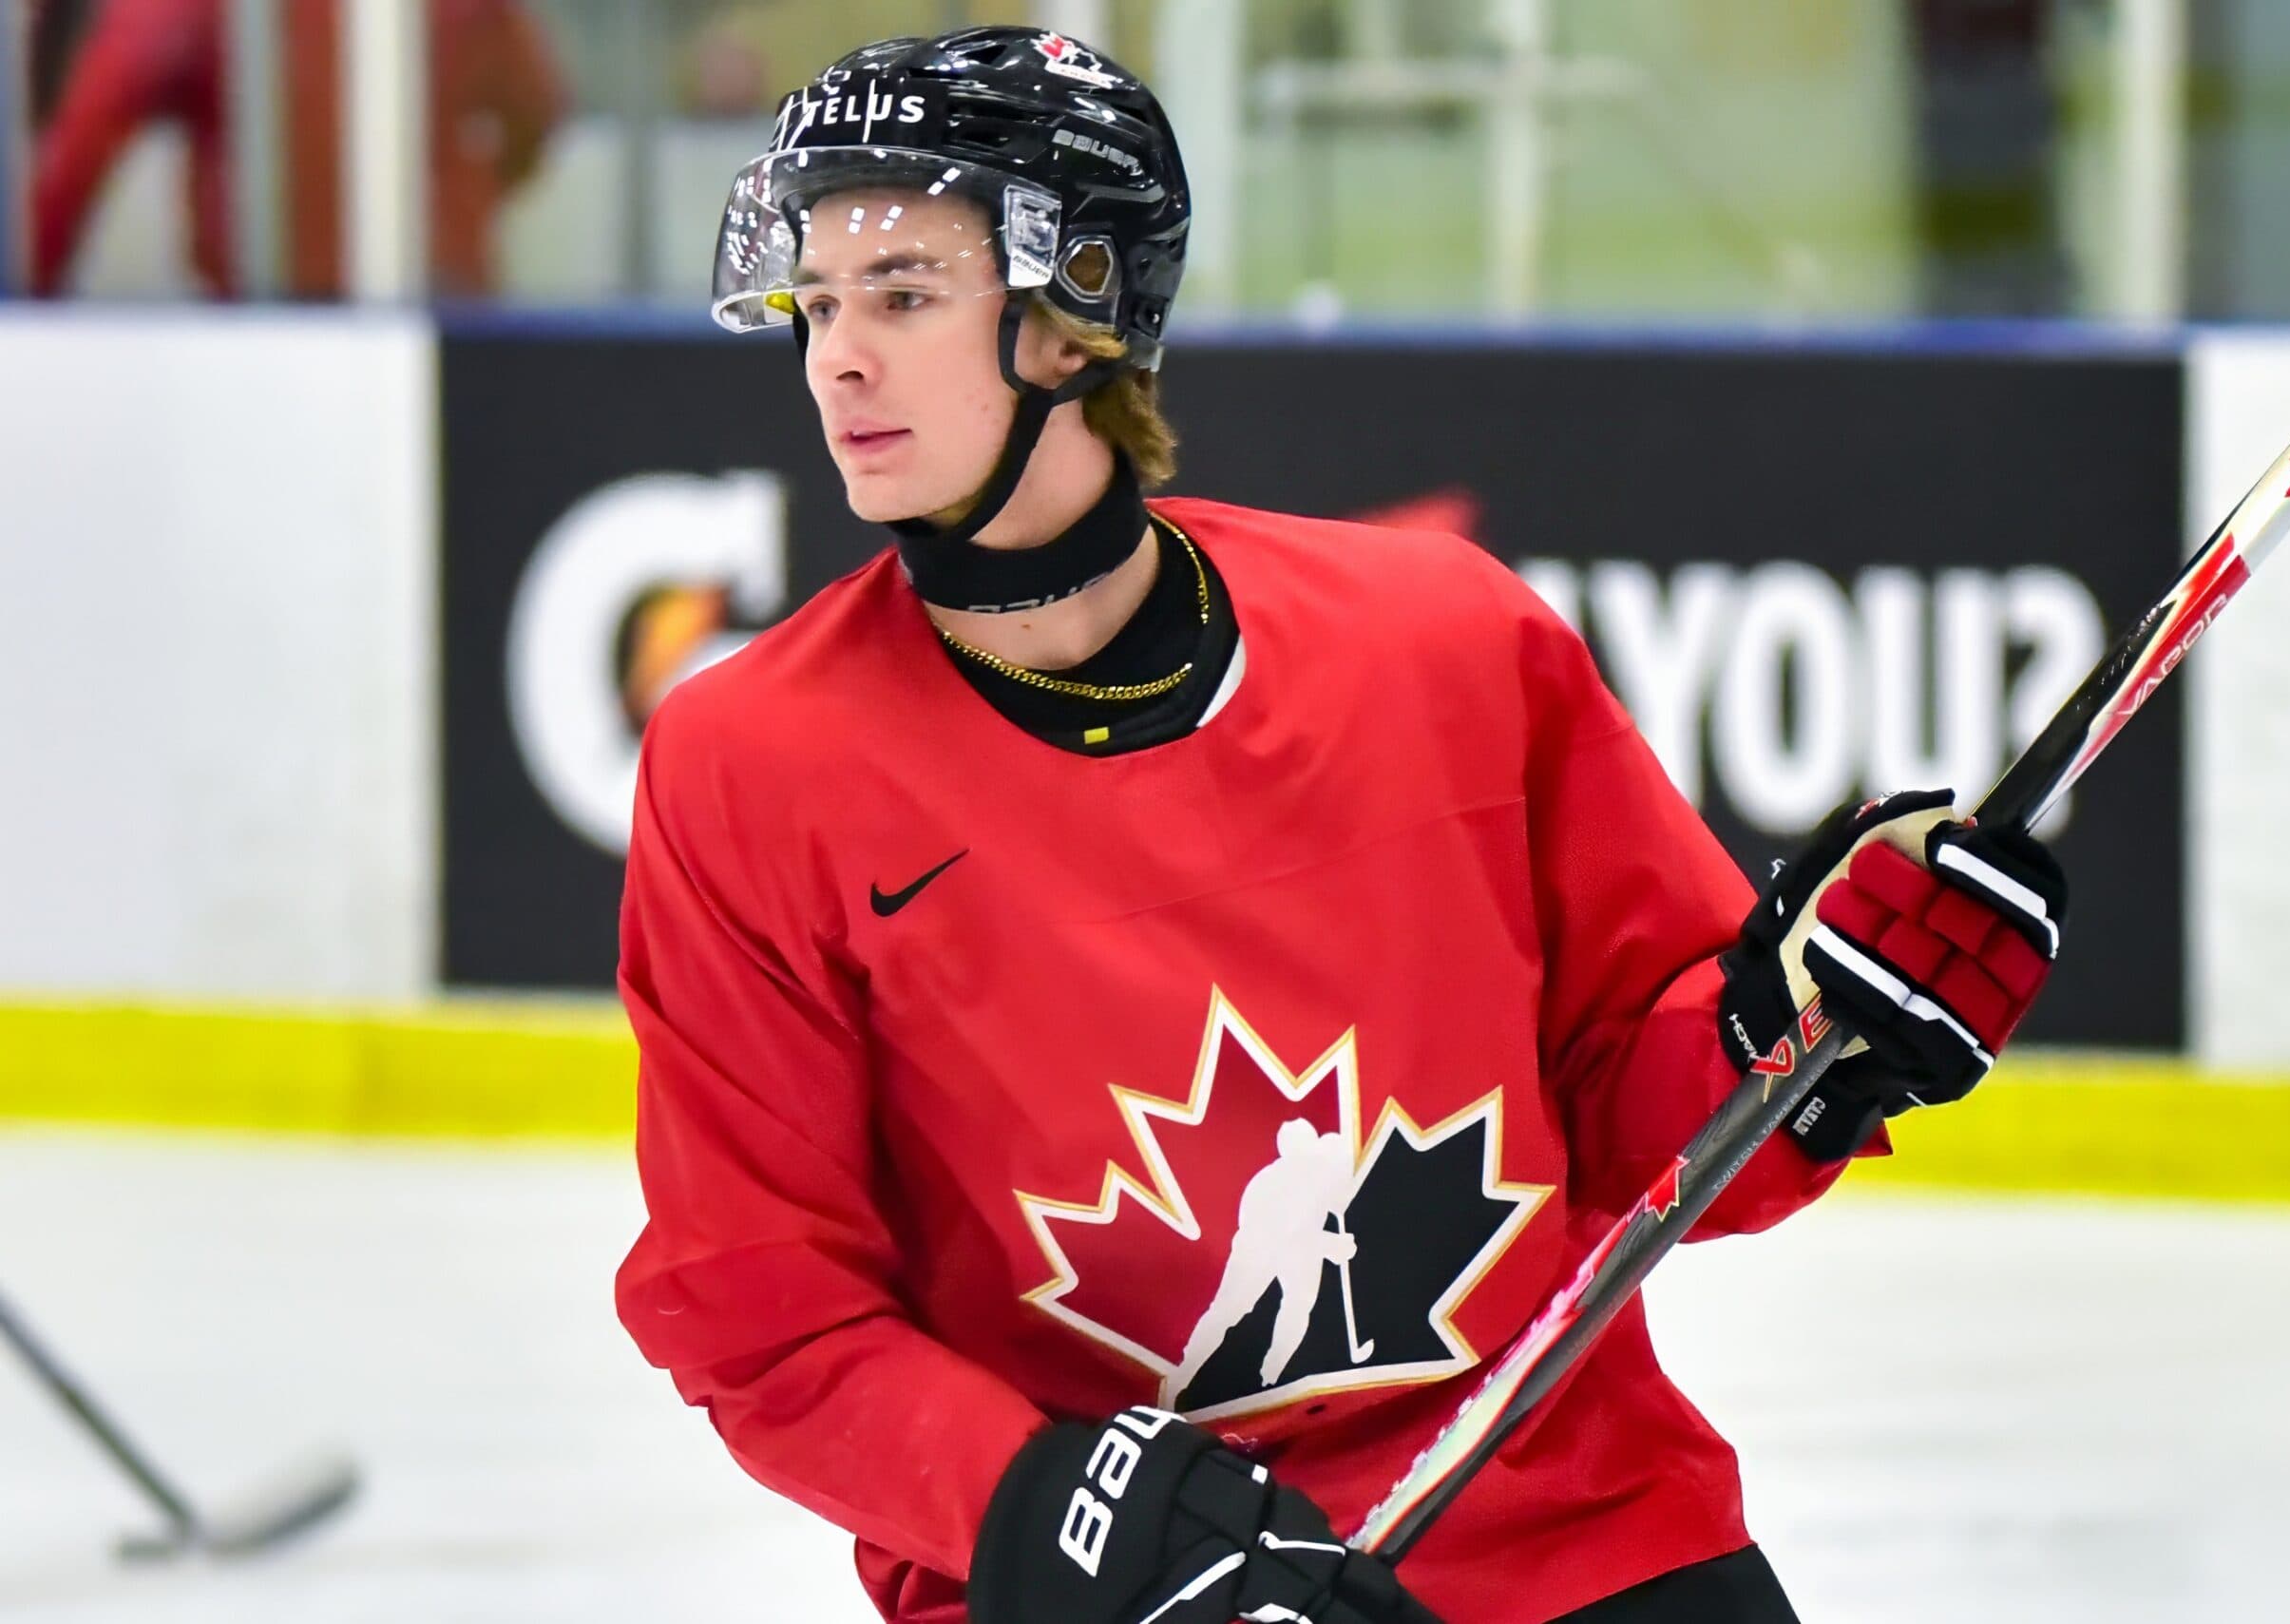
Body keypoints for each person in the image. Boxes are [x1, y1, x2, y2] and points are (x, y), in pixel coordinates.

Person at [614, 27, 2070, 1624]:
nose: (834, 358)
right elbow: (766, 1309)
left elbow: (1628, 1118)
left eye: (900, 295)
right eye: (816, 304)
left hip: (1578, 1538)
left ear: (1079, 304)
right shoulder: (749, 762)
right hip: (1121, 1593)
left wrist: (1796, 1043)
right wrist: (1062, 1513)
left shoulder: (1441, 638)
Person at [30, 0, 562, 298]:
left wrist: (31, 307)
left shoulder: (189, 9)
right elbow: (536, 113)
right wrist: (465, 203)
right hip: (442, 295)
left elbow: (76, 160)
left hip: (264, 313)